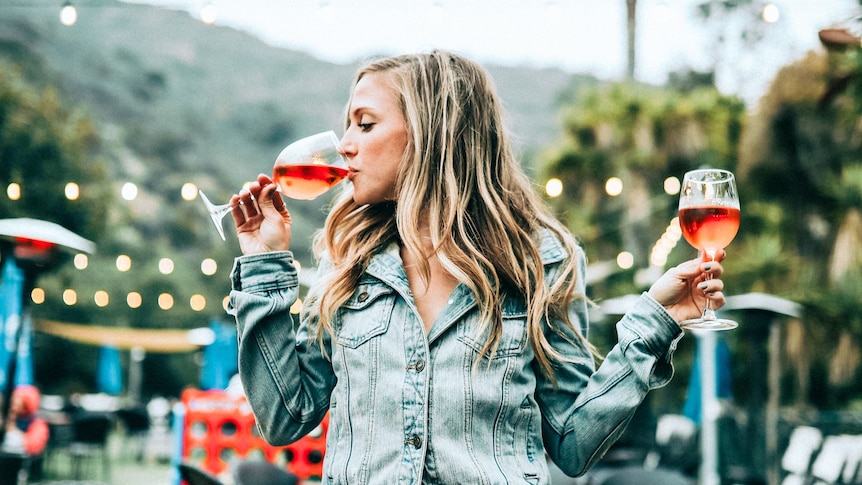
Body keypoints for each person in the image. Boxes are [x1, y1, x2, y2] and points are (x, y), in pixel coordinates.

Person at [226, 50, 728, 484]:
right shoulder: (347, 261)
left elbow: (573, 443)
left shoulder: (540, 261)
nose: (344, 145)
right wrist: (264, 261)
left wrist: (653, 326)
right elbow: (283, 417)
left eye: (365, 123)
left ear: (430, 133)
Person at [2, 384, 49, 457]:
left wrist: (12, 430)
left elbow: (32, 446)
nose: (13, 404)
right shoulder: (6, 417)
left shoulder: (37, 424)